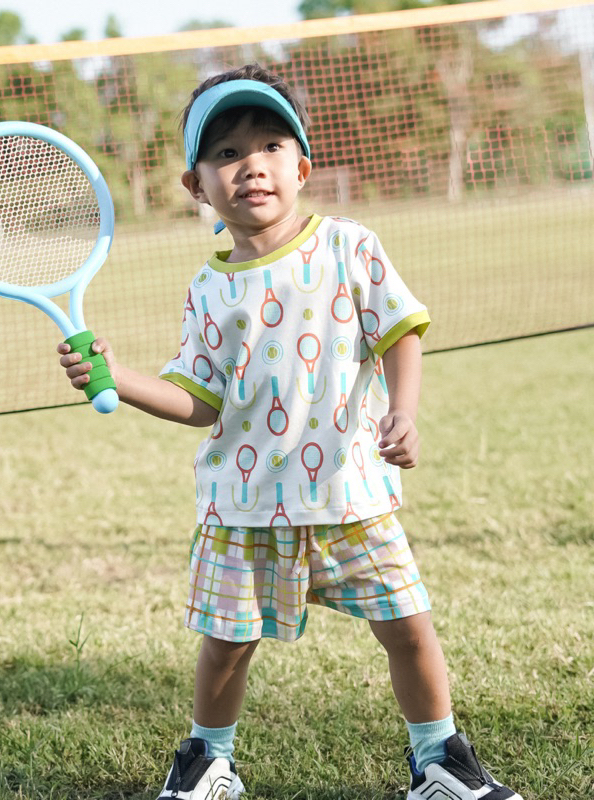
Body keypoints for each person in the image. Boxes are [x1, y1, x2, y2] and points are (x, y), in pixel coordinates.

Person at [58, 64, 522, 800]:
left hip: (353, 494)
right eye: (226, 153)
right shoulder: (209, 290)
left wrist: (404, 410)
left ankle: (440, 760)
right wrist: (119, 379)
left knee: (409, 625)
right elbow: (199, 400)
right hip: (245, 505)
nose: (252, 166)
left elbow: (399, 331)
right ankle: (208, 762)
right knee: (225, 649)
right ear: (196, 187)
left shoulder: (348, 245)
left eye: (271, 144)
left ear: (302, 166)